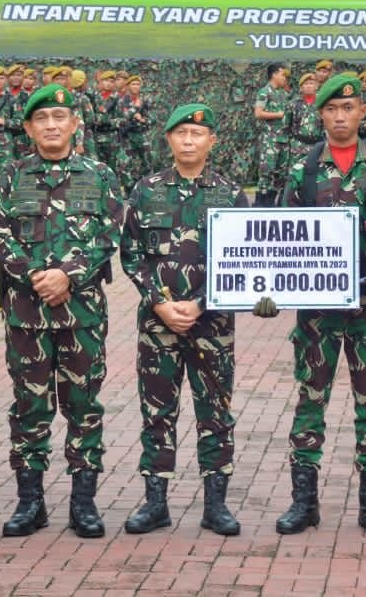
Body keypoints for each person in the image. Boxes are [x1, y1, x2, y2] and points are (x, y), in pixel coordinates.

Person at [268, 73, 366, 537]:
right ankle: (304, 502)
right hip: (316, 314)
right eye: (331, 109)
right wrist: (269, 291)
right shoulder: (303, 169)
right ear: (320, 114)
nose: (340, 117)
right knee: (309, 401)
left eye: (349, 108)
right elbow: (279, 236)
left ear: (363, 113)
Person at [0, 84, 123, 539]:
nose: (51, 125)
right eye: (41, 118)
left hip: (81, 314)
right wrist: (36, 278)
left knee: (83, 407)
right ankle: (31, 503)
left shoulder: (99, 174)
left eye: (59, 117)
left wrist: (68, 275)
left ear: (74, 124)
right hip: (26, 313)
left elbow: (109, 234)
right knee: (30, 407)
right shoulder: (10, 176)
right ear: (28, 127)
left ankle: (83, 503)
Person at [120, 103, 249, 536]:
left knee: (216, 412)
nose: (189, 141)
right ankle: (155, 502)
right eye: (181, 134)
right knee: (157, 413)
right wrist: (158, 301)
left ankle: (216, 506)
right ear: (169, 139)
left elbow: (243, 259)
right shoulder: (146, 190)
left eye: (198, 134)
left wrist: (201, 303)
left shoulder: (231, 195)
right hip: (158, 327)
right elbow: (131, 253)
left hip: (211, 326)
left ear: (212, 140)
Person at [253, 64, 291, 207]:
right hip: (271, 139)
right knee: (267, 172)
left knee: (281, 174)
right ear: (274, 75)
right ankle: (261, 203)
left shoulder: (283, 94)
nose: (284, 78)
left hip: (284, 139)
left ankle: (272, 202)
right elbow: (258, 113)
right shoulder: (265, 92)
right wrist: (278, 115)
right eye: (282, 74)